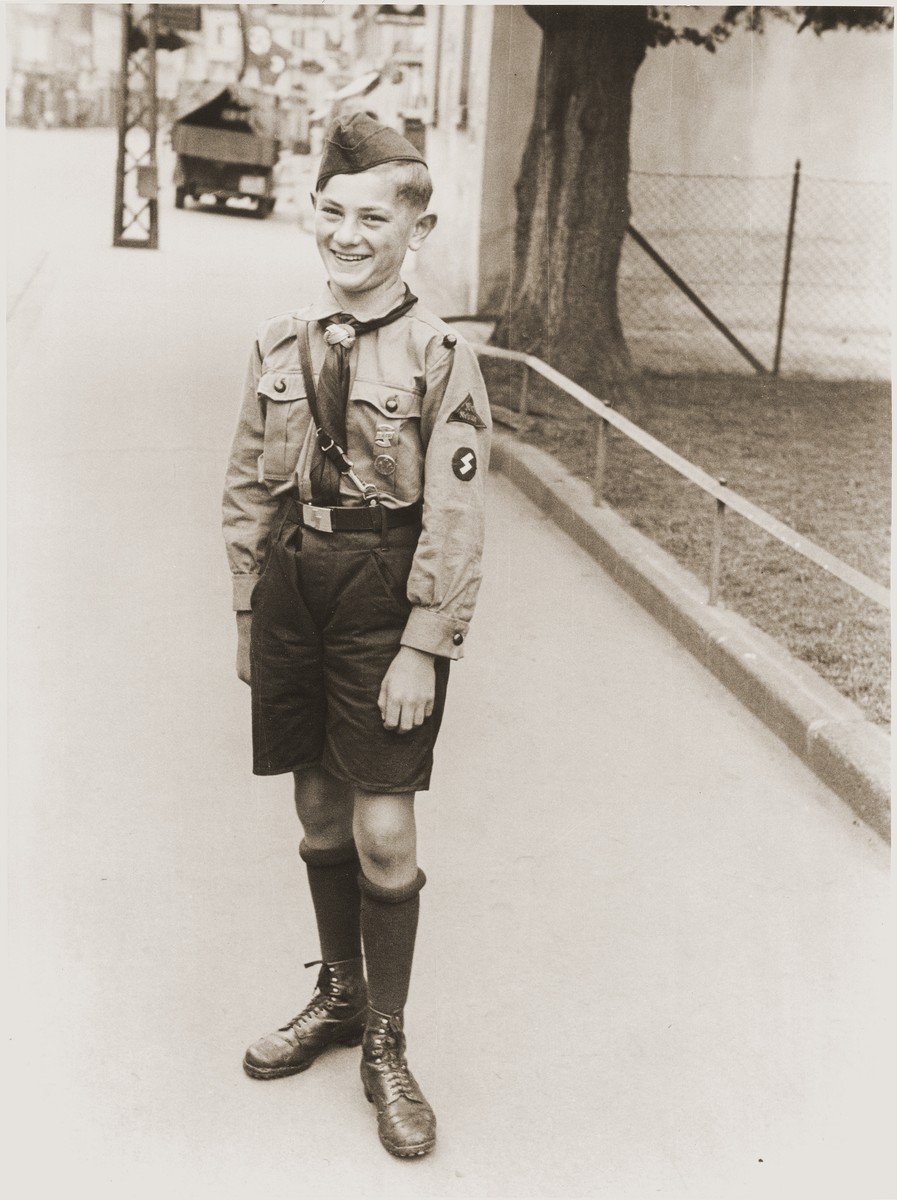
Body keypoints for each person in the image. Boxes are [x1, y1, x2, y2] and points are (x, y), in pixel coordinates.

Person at [222, 112, 491, 1159]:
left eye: (372, 217)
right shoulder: (278, 343)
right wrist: (249, 607)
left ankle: (387, 1037)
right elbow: (249, 484)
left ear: (413, 230)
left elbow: (458, 514)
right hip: (295, 584)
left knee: (385, 826)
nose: (346, 234)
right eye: (331, 212)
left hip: (386, 589)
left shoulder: (439, 356)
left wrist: (426, 641)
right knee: (320, 802)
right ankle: (338, 996)